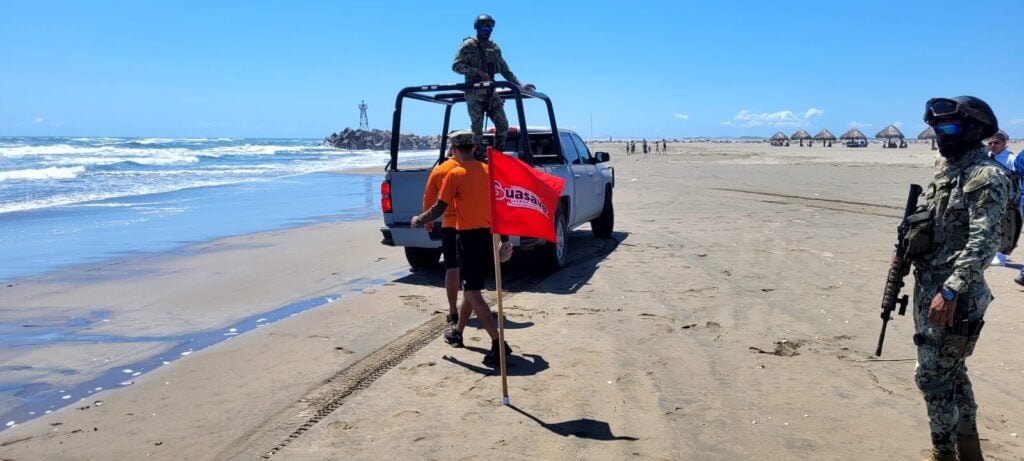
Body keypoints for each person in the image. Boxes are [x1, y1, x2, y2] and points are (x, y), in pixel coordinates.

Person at [909, 96, 1009, 461]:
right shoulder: (948, 171)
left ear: (973, 130)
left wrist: (951, 290)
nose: (940, 135)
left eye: (948, 128)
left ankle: (943, 453)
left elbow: (985, 242)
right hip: (930, 291)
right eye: (936, 129)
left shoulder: (986, 175)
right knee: (953, 373)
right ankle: (969, 448)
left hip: (954, 299)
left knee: (932, 379)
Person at [411, 129, 513, 366]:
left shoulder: (454, 174)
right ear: (474, 147)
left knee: (472, 292)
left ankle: (499, 343)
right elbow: (499, 209)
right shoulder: (489, 171)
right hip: (488, 237)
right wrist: (504, 239)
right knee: (472, 286)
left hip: (467, 238)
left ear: (454, 150)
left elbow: (438, 208)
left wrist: (419, 219)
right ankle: (457, 332)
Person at [451, 14, 535, 153]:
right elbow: (456, 66)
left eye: (490, 26)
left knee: (503, 126)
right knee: (477, 130)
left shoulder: (494, 47)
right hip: (474, 93)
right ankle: (478, 157)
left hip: (491, 93)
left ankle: (497, 155)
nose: (487, 29)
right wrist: (477, 72)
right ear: (477, 27)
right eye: (484, 26)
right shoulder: (469, 45)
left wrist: (520, 85)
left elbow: (505, 69)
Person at [422, 149, 462, 325]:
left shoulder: (440, 170)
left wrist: (427, 219)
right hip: (474, 225)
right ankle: (474, 302)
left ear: (450, 152)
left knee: (452, 268)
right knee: (471, 269)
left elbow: (429, 197)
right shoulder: (477, 168)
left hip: (449, 225)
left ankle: (453, 310)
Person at [986, 130, 1015, 266]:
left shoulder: (1011, 159)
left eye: (996, 142)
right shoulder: (986, 157)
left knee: (1006, 227)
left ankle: (1001, 255)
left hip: (1007, 198)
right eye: (990, 143)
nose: (993, 145)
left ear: (1004, 143)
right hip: (988, 197)